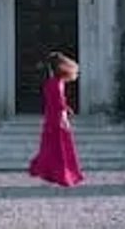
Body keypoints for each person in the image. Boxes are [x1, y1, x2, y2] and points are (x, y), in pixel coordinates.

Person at [28, 50, 84, 187]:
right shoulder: (58, 82)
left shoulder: (51, 82)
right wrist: (64, 118)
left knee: (51, 147)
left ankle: (51, 174)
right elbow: (59, 100)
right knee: (59, 147)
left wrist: (65, 110)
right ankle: (58, 175)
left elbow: (57, 101)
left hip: (50, 118)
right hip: (56, 118)